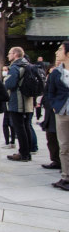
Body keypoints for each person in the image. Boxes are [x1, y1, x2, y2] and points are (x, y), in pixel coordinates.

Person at [4, 47, 34, 162]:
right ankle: (27, 152)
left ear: (15, 54)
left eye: (9, 53)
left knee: (19, 128)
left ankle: (23, 153)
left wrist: (5, 80)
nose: (8, 56)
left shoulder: (16, 67)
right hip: (28, 101)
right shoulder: (27, 65)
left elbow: (10, 84)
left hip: (17, 101)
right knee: (26, 126)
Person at [49, 42, 69, 191]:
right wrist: (55, 106)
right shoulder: (56, 72)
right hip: (62, 112)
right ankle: (65, 176)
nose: (57, 52)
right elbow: (51, 92)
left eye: (61, 49)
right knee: (63, 146)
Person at [41, 65, 61, 170]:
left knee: (62, 139)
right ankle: (56, 160)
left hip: (62, 109)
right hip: (50, 110)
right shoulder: (51, 77)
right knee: (51, 136)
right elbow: (47, 92)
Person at [1, 66, 16, 149]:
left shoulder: (11, 79)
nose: (4, 72)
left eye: (6, 70)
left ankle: (12, 141)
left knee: (12, 124)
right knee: (5, 123)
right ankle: (7, 141)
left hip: (11, 103)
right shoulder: (2, 80)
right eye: (3, 70)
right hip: (4, 104)